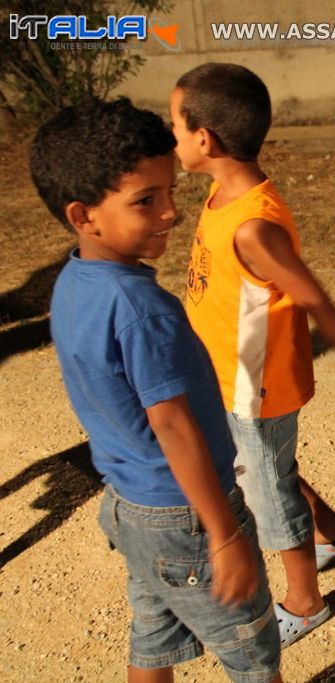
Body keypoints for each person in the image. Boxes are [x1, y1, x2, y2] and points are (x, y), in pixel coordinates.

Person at [31, 97, 281, 682]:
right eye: (146, 200)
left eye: (170, 191)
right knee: (253, 656)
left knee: (153, 641)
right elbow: (172, 424)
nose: (170, 211)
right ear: (84, 216)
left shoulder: (74, 282)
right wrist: (223, 534)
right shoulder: (142, 309)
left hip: (131, 508)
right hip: (186, 518)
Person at [170, 63, 335, 648]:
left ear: (205, 139)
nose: (171, 136)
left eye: (174, 125)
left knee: (267, 492)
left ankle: (305, 601)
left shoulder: (254, 227)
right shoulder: (223, 194)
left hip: (256, 388)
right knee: (266, 470)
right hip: (226, 376)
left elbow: (320, 305)